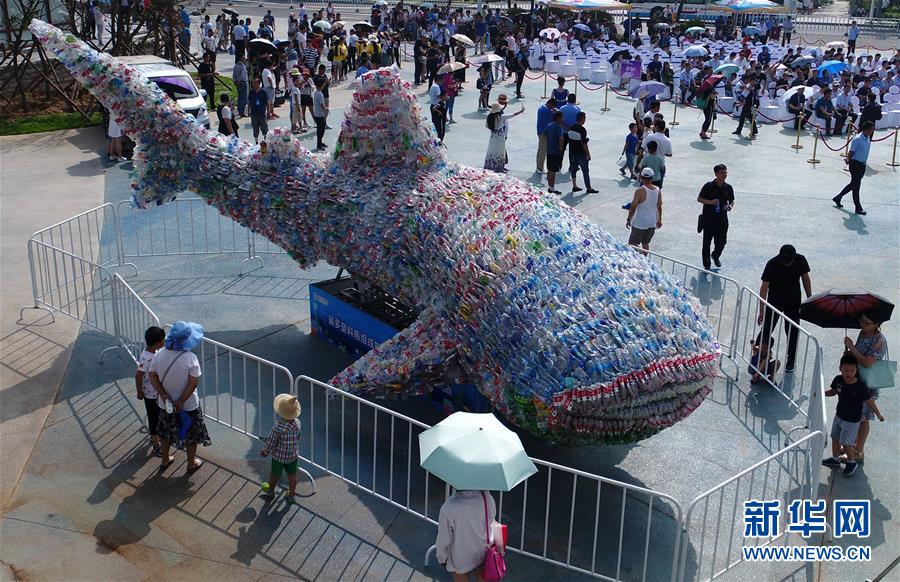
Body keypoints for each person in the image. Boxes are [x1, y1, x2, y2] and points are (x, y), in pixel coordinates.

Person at [148, 321, 211, 473]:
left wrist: (163, 394)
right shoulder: (190, 358)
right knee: (191, 435)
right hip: (188, 405)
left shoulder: (159, 354)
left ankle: (165, 459)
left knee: (165, 433)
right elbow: (193, 382)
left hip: (166, 405)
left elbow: (152, 375)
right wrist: (181, 400)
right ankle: (191, 463)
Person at [821, 354, 883, 477]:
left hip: (852, 420)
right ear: (840, 369)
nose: (848, 374)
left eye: (852, 371)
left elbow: (869, 400)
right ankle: (835, 458)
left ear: (856, 370)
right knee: (835, 437)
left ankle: (851, 462)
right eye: (845, 370)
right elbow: (833, 391)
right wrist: (822, 394)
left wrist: (878, 414)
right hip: (839, 415)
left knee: (846, 442)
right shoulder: (838, 380)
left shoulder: (860, 386)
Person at [757, 244, 812, 373]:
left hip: (793, 303)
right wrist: (761, 310)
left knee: (792, 331)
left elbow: (805, 278)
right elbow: (764, 287)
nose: (786, 263)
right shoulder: (772, 264)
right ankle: (758, 355)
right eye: (784, 261)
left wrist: (809, 298)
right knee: (766, 329)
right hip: (774, 302)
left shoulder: (800, 260)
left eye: (788, 261)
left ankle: (791, 359)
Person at [844, 311, 888, 461]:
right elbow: (857, 354)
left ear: (876, 324)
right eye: (861, 321)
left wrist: (852, 347)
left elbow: (867, 362)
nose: (862, 325)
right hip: (855, 380)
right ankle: (854, 445)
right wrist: (849, 350)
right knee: (856, 414)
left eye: (866, 323)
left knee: (863, 417)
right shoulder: (863, 334)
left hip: (867, 383)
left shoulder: (879, 340)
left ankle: (859, 451)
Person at [436, 489, 499, 582]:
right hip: (483, 550)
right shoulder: (487, 497)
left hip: (460, 556)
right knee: (482, 574)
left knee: (459, 574)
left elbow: (444, 537)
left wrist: (441, 556)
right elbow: (491, 519)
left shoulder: (449, 507)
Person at [260, 393, 302, 503]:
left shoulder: (278, 427)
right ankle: (291, 495)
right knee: (292, 475)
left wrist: (266, 451)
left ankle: (270, 490)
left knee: (274, 474)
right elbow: (298, 436)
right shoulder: (297, 423)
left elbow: (271, 442)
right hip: (293, 455)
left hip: (279, 456)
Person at [135, 326, 166, 457]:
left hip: (157, 393)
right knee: (153, 418)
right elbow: (138, 375)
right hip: (150, 394)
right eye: (163, 340)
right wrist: (139, 392)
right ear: (158, 343)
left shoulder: (155, 353)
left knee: (159, 417)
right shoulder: (146, 357)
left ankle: (157, 437)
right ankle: (156, 444)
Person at [697, 164, 734, 270]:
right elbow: (699, 199)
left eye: (725, 172)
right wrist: (711, 202)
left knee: (722, 241)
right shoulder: (708, 186)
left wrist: (730, 206)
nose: (724, 175)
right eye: (721, 173)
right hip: (709, 219)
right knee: (707, 242)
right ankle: (706, 263)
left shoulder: (728, 187)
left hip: (722, 219)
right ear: (716, 174)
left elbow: (731, 200)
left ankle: (715, 255)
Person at [833, 120, 874, 215]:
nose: (872, 131)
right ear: (867, 129)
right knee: (856, 185)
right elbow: (851, 152)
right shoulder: (858, 139)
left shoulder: (867, 137)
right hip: (855, 164)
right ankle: (858, 207)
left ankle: (838, 197)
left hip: (862, 164)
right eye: (871, 129)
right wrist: (848, 160)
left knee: (854, 185)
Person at [625, 167, 662, 254]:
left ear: (641, 177)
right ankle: (644, 262)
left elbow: (633, 207)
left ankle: (637, 261)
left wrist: (628, 219)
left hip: (640, 221)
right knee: (645, 243)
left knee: (632, 243)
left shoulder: (640, 191)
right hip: (652, 221)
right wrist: (659, 219)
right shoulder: (657, 190)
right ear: (652, 177)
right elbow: (659, 207)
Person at [483, 96, 524, 173]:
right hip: (500, 135)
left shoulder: (489, 117)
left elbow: (487, 126)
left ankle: (490, 166)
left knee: (492, 150)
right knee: (500, 151)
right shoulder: (501, 117)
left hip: (493, 135)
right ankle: (499, 168)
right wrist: (521, 111)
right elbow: (513, 114)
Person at [565, 111, 598, 194]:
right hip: (581, 154)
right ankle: (588, 187)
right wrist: (588, 154)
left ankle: (574, 186)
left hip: (572, 152)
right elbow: (584, 144)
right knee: (585, 171)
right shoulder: (582, 130)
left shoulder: (571, 127)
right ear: (582, 119)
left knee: (573, 169)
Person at [544, 110, 565, 195]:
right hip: (555, 152)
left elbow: (545, 133)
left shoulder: (549, 125)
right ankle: (552, 188)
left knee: (549, 170)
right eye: (561, 118)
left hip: (549, 150)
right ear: (558, 118)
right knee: (553, 171)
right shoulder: (558, 127)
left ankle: (550, 186)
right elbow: (561, 138)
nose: (563, 119)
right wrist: (561, 147)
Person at [535, 98, 555, 174]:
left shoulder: (541, 107)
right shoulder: (547, 111)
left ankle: (538, 166)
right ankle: (540, 168)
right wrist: (554, 112)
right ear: (550, 104)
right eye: (552, 107)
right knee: (543, 150)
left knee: (540, 149)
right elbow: (553, 119)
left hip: (539, 131)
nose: (552, 108)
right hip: (544, 133)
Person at [248, 78, 269, 144]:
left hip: (261, 113)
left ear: (259, 83)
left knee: (264, 128)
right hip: (254, 113)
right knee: (255, 128)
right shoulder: (251, 92)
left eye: (255, 83)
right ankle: (256, 141)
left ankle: (266, 140)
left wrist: (268, 111)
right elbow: (249, 102)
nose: (253, 84)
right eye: (253, 83)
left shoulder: (263, 92)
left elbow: (267, 102)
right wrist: (248, 110)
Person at [312, 78, 328, 150]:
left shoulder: (315, 92)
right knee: (321, 130)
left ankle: (320, 142)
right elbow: (322, 106)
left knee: (320, 129)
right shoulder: (320, 94)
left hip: (316, 114)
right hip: (320, 115)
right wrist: (326, 110)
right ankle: (319, 144)